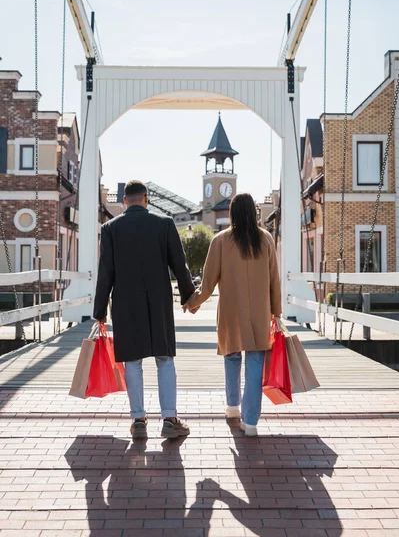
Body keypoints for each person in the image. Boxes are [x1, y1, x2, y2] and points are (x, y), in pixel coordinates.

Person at [93, 180, 195, 439]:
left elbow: (105, 273)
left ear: (125, 201)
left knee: (132, 362)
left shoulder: (110, 229)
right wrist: (188, 296)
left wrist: (100, 312)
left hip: (126, 303)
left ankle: (138, 420)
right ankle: (170, 419)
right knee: (164, 359)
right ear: (146, 199)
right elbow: (179, 264)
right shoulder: (165, 224)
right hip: (159, 301)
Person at [184, 193, 282, 436]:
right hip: (259, 314)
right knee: (255, 363)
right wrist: (276, 312)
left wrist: (193, 302)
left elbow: (207, 282)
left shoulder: (220, 241)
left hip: (230, 312)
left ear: (232, 213)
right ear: (254, 213)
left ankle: (232, 407)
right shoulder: (266, 239)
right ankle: (250, 423)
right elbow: (274, 281)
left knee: (232, 357)